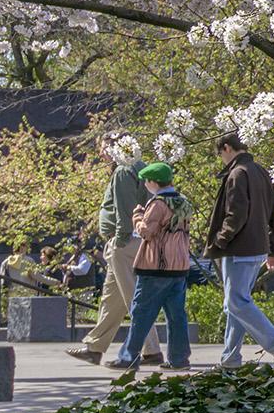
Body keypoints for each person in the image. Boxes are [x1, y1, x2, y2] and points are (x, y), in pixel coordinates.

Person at [204, 134, 274, 367]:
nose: (222, 159)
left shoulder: (237, 174)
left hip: (239, 249)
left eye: (221, 154)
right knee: (235, 302)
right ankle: (230, 358)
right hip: (257, 249)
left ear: (226, 148)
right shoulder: (261, 172)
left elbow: (235, 216)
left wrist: (219, 241)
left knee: (236, 302)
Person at [70, 134, 161, 365]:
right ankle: (95, 348)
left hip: (124, 243)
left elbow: (126, 211)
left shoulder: (123, 171)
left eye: (102, 148)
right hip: (130, 242)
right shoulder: (139, 167)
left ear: (114, 149)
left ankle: (150, 351)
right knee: (112, 299)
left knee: (133, 298)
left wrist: (119, 241)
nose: (101, 153)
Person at [103, 162, 193, 371]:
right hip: (179, 266)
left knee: (141, 313)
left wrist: (137, 216)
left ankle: (128, 357)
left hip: (155, 267)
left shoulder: (158, 204)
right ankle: (179, 359)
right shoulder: (183, 202)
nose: (145, 185)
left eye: (146, 181)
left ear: (153, 182)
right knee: (177, 315)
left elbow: (147, 232)